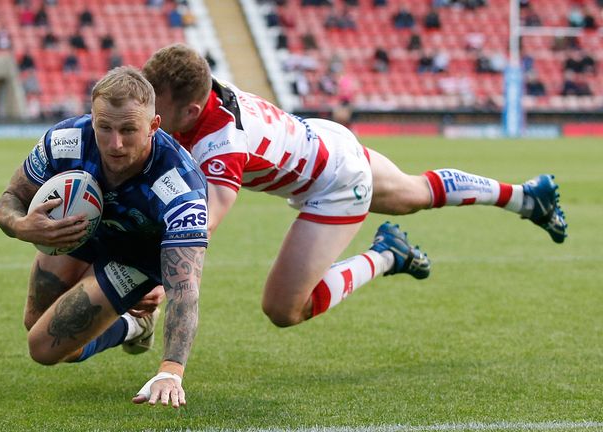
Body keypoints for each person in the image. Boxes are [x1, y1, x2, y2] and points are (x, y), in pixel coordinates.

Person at [141, 43, 567, 328]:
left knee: (283, 309)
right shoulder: (204, 88)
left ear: (193, 109)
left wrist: (153, 278)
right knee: (417, 193)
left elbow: (204, 222)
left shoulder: (222, 144)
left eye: (155, 109)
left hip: (334, 185)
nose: (149, 118)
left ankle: (385, 255)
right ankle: (527, 197)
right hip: (325, 140)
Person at [0, 66, 208, 408]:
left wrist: (170, 370)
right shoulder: (65, 141)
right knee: (35, 322)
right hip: (83, 229)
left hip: (137, 256)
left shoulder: (181, 187)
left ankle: (131, 327)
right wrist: (22, 225)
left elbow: (185, 290)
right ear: (91, 117)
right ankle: (132, 325)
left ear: (154, 125)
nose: (115, 143)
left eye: (128, 130)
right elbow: (11, 198)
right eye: (104, 127)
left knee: (43, 348)